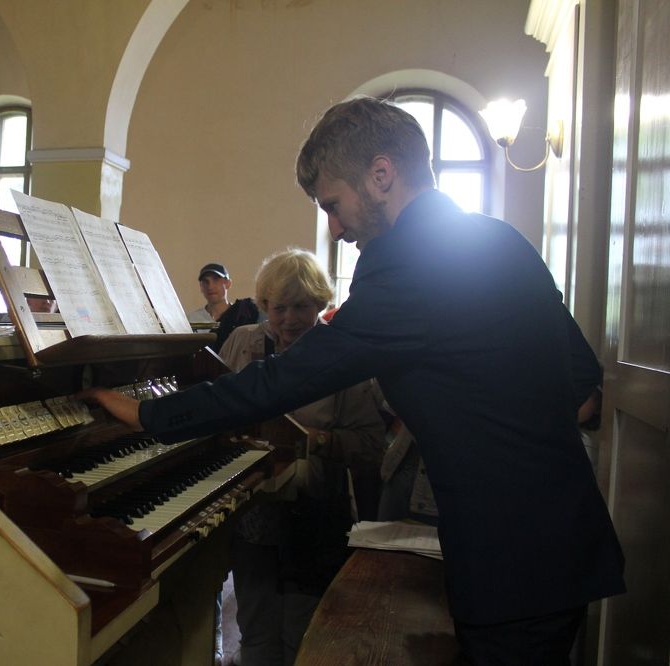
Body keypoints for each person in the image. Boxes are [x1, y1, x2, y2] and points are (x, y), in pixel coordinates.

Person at [81, 97, 625, 665]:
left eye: (333, 205)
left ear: (381, 175)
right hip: (564, 542)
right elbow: (581, 382)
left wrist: (149, 413)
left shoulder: (410, 261)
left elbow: (288, 378)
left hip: (507, 562)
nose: (336, 229)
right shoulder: (498, 239)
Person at [220, 248, 385, 666]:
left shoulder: (342, 356)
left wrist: (318, 440)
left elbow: (371, 445)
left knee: (303, 634)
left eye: (302, 307)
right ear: (264, 305)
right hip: (253, 512)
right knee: (255, 627)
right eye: (279, 308)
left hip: (315, 514)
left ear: (320, 305)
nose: (290, 319)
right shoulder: (243, 343)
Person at [187, 262, 260, 352]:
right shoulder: (191, 320)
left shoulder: (242, 315)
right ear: (201, 287)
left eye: (216, 280)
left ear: (228, 283)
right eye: (206, 282)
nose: (210, 286)